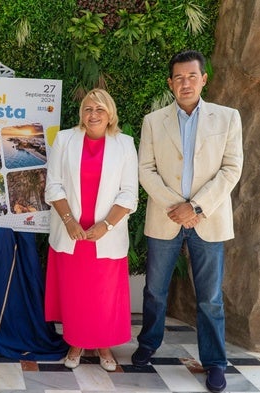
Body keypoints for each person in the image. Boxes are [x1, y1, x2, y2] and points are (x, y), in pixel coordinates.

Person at [132, 50, 243, 393]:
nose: (185, 83)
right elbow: (145, 169)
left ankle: (214, 362)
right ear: (170, 83)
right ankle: (148, 343)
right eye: (178, 78)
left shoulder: (227, 118)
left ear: (203, 79)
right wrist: (176, 206)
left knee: (209, 296)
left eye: (192, 76)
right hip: (166, 217)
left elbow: (231, 169)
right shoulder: (154, 120)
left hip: (207, 218)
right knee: (154, 290)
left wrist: (195, 207)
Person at [44, 88, 139, 372]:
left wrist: (106, 225)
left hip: (105, 236)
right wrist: (70, 221)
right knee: (76, 295)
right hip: (72, 234)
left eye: (100, 109)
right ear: (81, 114)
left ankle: (104, 346)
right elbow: (54, 185)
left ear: (110, 114)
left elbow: (129, 193)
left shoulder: (125, 144)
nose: (93, 114)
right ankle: (75, 343)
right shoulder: (65, 139)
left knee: (104, 295)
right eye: (88, 109)